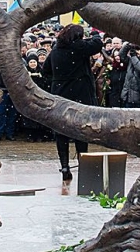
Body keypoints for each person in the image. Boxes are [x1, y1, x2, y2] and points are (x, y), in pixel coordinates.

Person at [41, 24, 103, 181]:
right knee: (80, 130)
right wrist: (94, 32)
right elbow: (97, 44)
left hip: (60, 95)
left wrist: (56, 82)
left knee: (61, 131)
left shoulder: (56, 50)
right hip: (80, 94)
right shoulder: (78, 46)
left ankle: (64, 166)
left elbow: (45, 70)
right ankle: (83, 164)